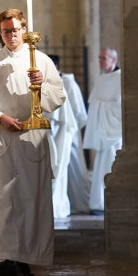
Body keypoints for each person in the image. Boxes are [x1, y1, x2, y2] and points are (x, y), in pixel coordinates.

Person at [0, 9, 66, 276]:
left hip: (31, 138)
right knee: (1, 200)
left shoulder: (41, 60)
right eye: (5, 31)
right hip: (2, 137)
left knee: (30, 199)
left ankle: (26, 256)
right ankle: (4, 257)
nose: (11, 35)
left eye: (15, 30)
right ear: (0, 32)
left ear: (24, 30)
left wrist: (41, 86)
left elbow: (58, 95)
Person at [82, 48, 122, 214]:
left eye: (104, 58)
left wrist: (101, 106)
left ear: (113, 60)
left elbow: (120, 106)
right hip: (102, 131)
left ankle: (109, 201)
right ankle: (98, 202)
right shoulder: (102, 78)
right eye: (99, 57)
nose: (100, 61)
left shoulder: (120, 78)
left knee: (111, 163)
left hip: (113, 132)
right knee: (100, 166)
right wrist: (98, 105)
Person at [47, 55, 78, 218]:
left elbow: (61, 117)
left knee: (56, 171)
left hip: (57, 136)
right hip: (48, 136)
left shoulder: (58, 86)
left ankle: (56, 207)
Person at [61, 66, 91, 214]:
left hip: (69, 133)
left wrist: (69, 128)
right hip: (56, 133)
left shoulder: (69, 84)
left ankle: (80, 204)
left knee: (74, 167)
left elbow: (78, 112)